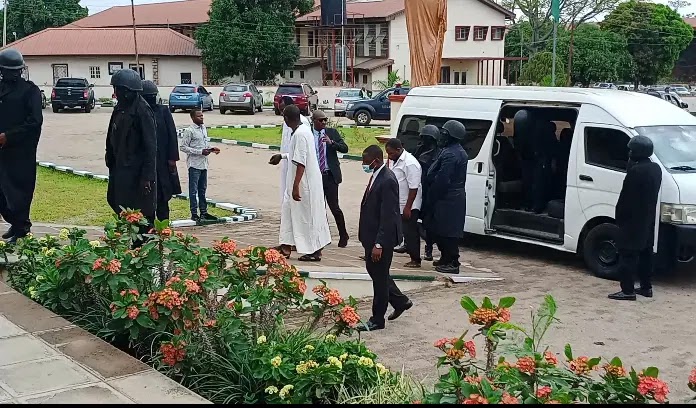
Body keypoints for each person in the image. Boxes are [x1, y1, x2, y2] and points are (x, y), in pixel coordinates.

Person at [358, 145, 412, 331]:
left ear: (376, 160)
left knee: (379, 280)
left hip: (382, 238)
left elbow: (388, 215)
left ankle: (377, 319)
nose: (364, 165)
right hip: (371, 235)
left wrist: (379, 244)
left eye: (366, 162)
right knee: (376, 271)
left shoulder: (387, 180)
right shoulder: (377, 174)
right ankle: (400, 301)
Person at [272, 105, 331, 261]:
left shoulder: (301, 134)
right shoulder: (301, 131)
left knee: (309, 216)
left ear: (286, 119)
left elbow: (301, 162)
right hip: (299, 182)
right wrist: (282, 156)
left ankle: (315, 251)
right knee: (288, 211)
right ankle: (285, 246)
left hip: (305, 184)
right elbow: (297, 153)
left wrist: (296, 186)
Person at [609, 136, 662, 301]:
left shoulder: (636, 172)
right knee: (646, 254)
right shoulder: (656, 168)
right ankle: (646, 287)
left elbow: (626, 198)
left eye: (632, 150)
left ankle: (628, 291)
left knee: (627, 256)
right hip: (648, 219)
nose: (630, 153)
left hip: (632, 221)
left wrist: (620, 218)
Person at [0, 48, 42, 243]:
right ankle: (15, 223)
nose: (13, 74)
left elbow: (35, 121)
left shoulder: (30, 91)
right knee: (2, 193)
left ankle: (21, 228)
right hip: (2, 152)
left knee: (19, 192)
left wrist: (8, 136)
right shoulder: (1, 89)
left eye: (16, 71)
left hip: (21, 151)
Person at [106, 69, 156, 223]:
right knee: (118, 203)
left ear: (127, 91)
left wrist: (147, 177)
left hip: (136, 172)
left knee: (139, 213)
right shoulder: (120, 108)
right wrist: (109, 155)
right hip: (120, 167)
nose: (115, 93)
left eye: (117, 89)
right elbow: (111, 133)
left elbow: (150, 146)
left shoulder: (142, 111)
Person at [424, 120, 468, 274]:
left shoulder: (451, 154)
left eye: (444, 134)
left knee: (448, 232)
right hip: (448, 197)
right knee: (439, 229)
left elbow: (443, 179)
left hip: (448, 198)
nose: (441, 136)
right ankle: (445, 257)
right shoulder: (450, 150)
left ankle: (453, 261)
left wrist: (432, 196)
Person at [141, 80, 181, 221]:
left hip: (163, 160)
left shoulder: (163, 111)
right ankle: (149, 227)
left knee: (163, 196)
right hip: (146, 162)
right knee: (147, 198)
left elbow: (172, 134)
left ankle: (164, 227)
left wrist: (172, 158)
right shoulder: (140, 113)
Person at [311, 110, 350, 247]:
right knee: (318, 208)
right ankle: (322, 236)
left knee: (334, 207)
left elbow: (345, 148)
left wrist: (331, 142)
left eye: (325, 120)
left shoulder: (331, 133)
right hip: (315, 176)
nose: (323, 122)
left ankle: (343, 234)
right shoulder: (308, 134)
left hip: (330, 175)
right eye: (320, 120)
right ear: (313, 121)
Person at [385, 138, 423, 268]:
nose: (389, 156)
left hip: (408, 204)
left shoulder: (410, 163)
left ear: (399, 149)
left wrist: (408, 207)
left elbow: (414, 187)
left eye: (391, 153)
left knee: (410, 232)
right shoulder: (394, 160)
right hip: (397, 202)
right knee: (398, 230)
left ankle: (415, 259)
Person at [179, 109, 220, 222]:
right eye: (199, 116)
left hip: (204, 164)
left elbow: (203, 145)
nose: (201, 117)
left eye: (202, 115)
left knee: (202, 190)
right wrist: (200, 152)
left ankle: (204, 212)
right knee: (193, 191)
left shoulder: (203, 129)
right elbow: (183, 147)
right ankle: (194, 213)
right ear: (193, 118)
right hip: (194, 165)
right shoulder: (189, 131)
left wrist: (211, 149)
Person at [276, 96, 311, 205]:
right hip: (287, 161)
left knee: (297, 198)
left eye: (283, 109)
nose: (281, 113)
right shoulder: (287, 122)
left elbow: (301, 153)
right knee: (286, 194)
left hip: (297, 164)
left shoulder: (302, 124)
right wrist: (282, 156)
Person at [413, 124, 440, 261]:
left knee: (429, 222)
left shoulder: (438, 153)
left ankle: (428, 247)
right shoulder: (419, 150)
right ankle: (408, 243)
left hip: (429, 190)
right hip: (418, 187)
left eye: (427, 138)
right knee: (412, 218)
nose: (425, 140)